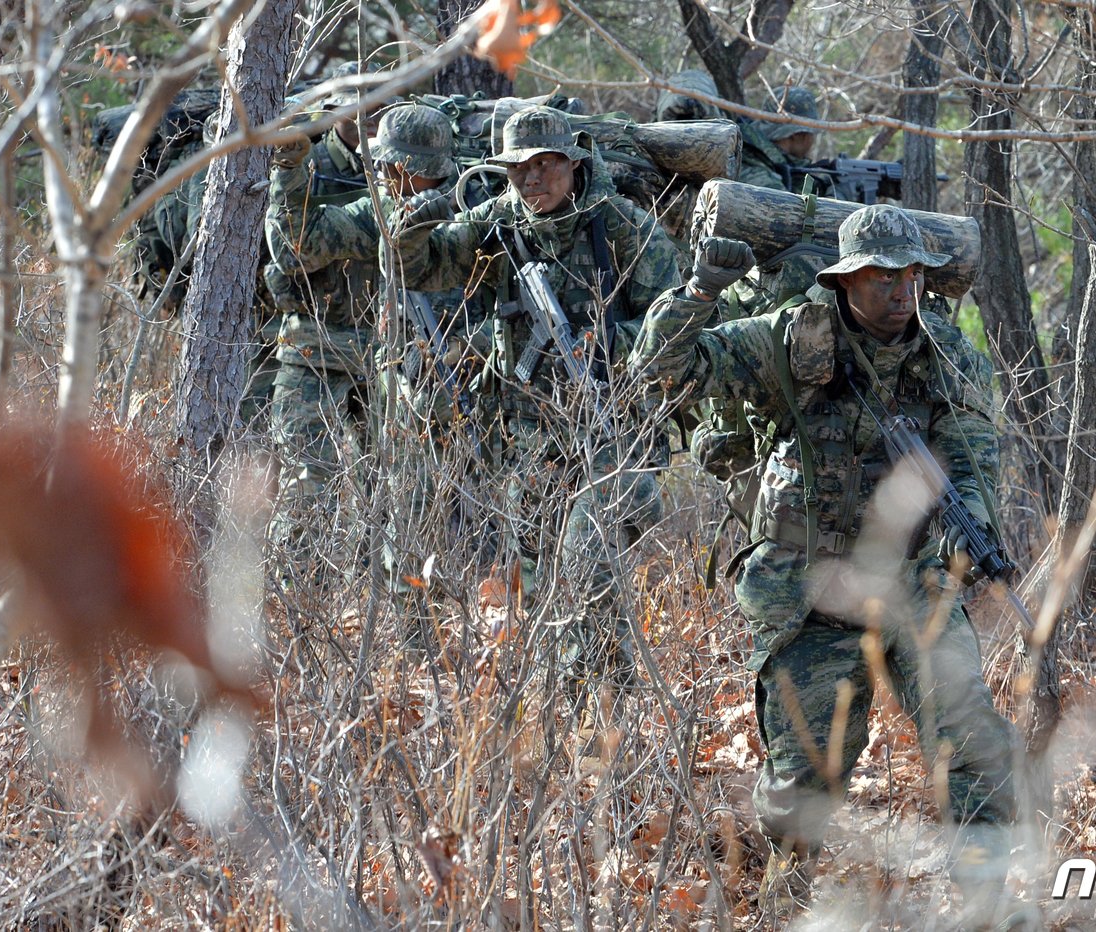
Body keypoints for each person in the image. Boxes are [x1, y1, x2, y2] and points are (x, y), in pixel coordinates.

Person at [630, 205, 1022, 925]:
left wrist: (975, 529)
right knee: (809, 773)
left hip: (913, 580)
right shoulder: (791, 340)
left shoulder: (948, 355)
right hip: (811, 584)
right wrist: (695, 294)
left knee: (971, 736)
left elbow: (973, 459)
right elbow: (663, 371)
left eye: (910, 274)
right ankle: (785, 900)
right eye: (880, 277)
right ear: (845, 281)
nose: (900, 291)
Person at [389, 105, 683, 685]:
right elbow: (418, 270)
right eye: (519, 168)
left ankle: (608, 698)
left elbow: (672, 322)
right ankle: (562, 707)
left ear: (573, 164)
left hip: (610, 428)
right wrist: (415, 223)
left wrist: (603, 343)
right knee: (540, 574)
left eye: (546, 165)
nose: (532, 180)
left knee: (589, 564)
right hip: (527, 433)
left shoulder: (620, 224)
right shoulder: (497, 220)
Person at [263, 102, 486, 600]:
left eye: (401, 171)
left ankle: (409, 622)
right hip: (317, 352)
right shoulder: (377, 208)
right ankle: (295, 609)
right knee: (307, 484)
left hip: (402, 366)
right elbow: (295, 247)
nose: (389, 177)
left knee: (406, 493)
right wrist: (291, 169)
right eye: (385, 169)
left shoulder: (468, 211)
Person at [263, 69, 395, 581]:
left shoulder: (407, 164)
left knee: (389, 483)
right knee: (306, 482)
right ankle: (294, 597)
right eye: (355, 108)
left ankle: (380, 595)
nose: (367, 118)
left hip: (387, 348)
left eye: (378, 107)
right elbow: (278, 256)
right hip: (312, 344)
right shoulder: (303, 166)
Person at [135, 112, 281, 429]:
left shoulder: (204, 175)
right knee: (239, 410)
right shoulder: (204, 183)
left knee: (250, 406)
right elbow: (199, 245)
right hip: (228, 313)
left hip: (255, 312)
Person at [737, 85, 831, 197]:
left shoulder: (767, 160)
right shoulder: (756, 171)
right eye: (811, 134)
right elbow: (786, 211)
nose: (812, 140)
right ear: (797, 135)